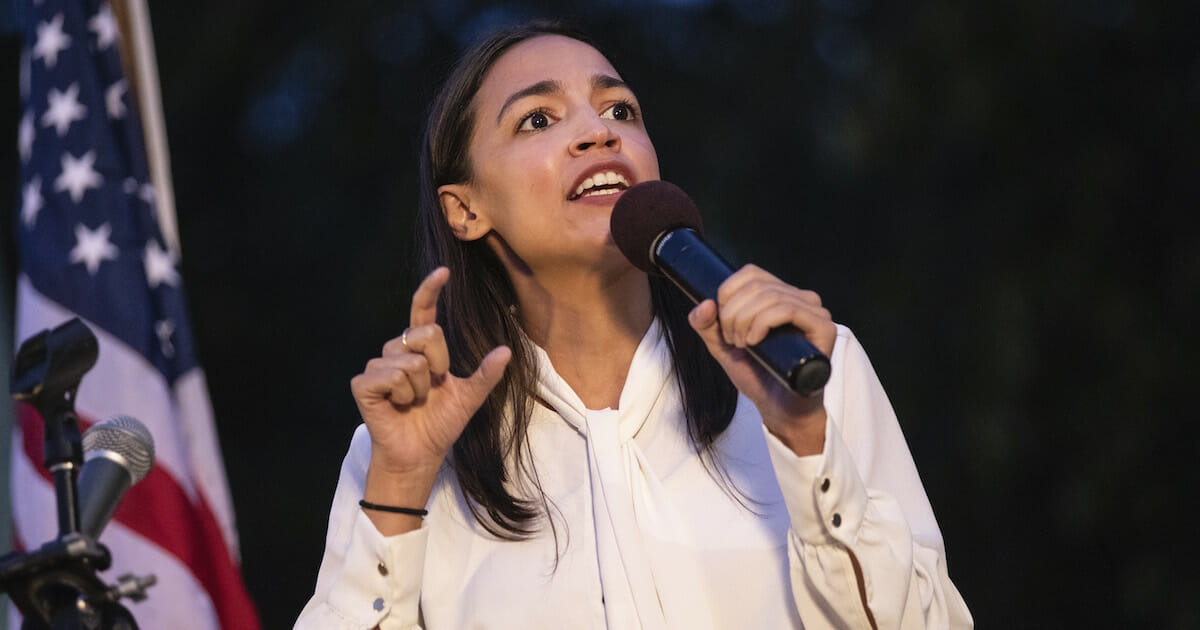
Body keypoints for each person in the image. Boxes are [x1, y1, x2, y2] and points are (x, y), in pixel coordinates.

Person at [296, 20, 972, 630]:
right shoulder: (400, 455)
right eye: (538, 120)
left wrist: (806, 441)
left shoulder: (806, 368)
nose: (599, 131)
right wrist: (400, 489)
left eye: (620, 109)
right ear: (465, 210)